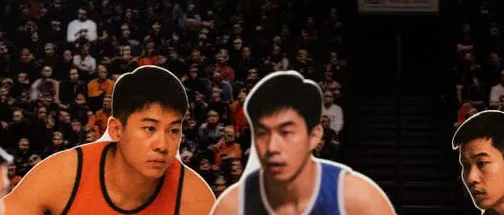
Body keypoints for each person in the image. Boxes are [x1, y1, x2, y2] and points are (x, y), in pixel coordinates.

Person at [2, 65, 215, 214]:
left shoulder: (193, 198)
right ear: (116, 130)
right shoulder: (65, 175)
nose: (163, 145)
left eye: (173, 130)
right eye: (149, 128)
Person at [211, 70, 395, 214]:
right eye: (262, 134)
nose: (272, 147)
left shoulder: (357, 199)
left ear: (314, 136)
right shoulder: (233, 206)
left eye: (286, 132)